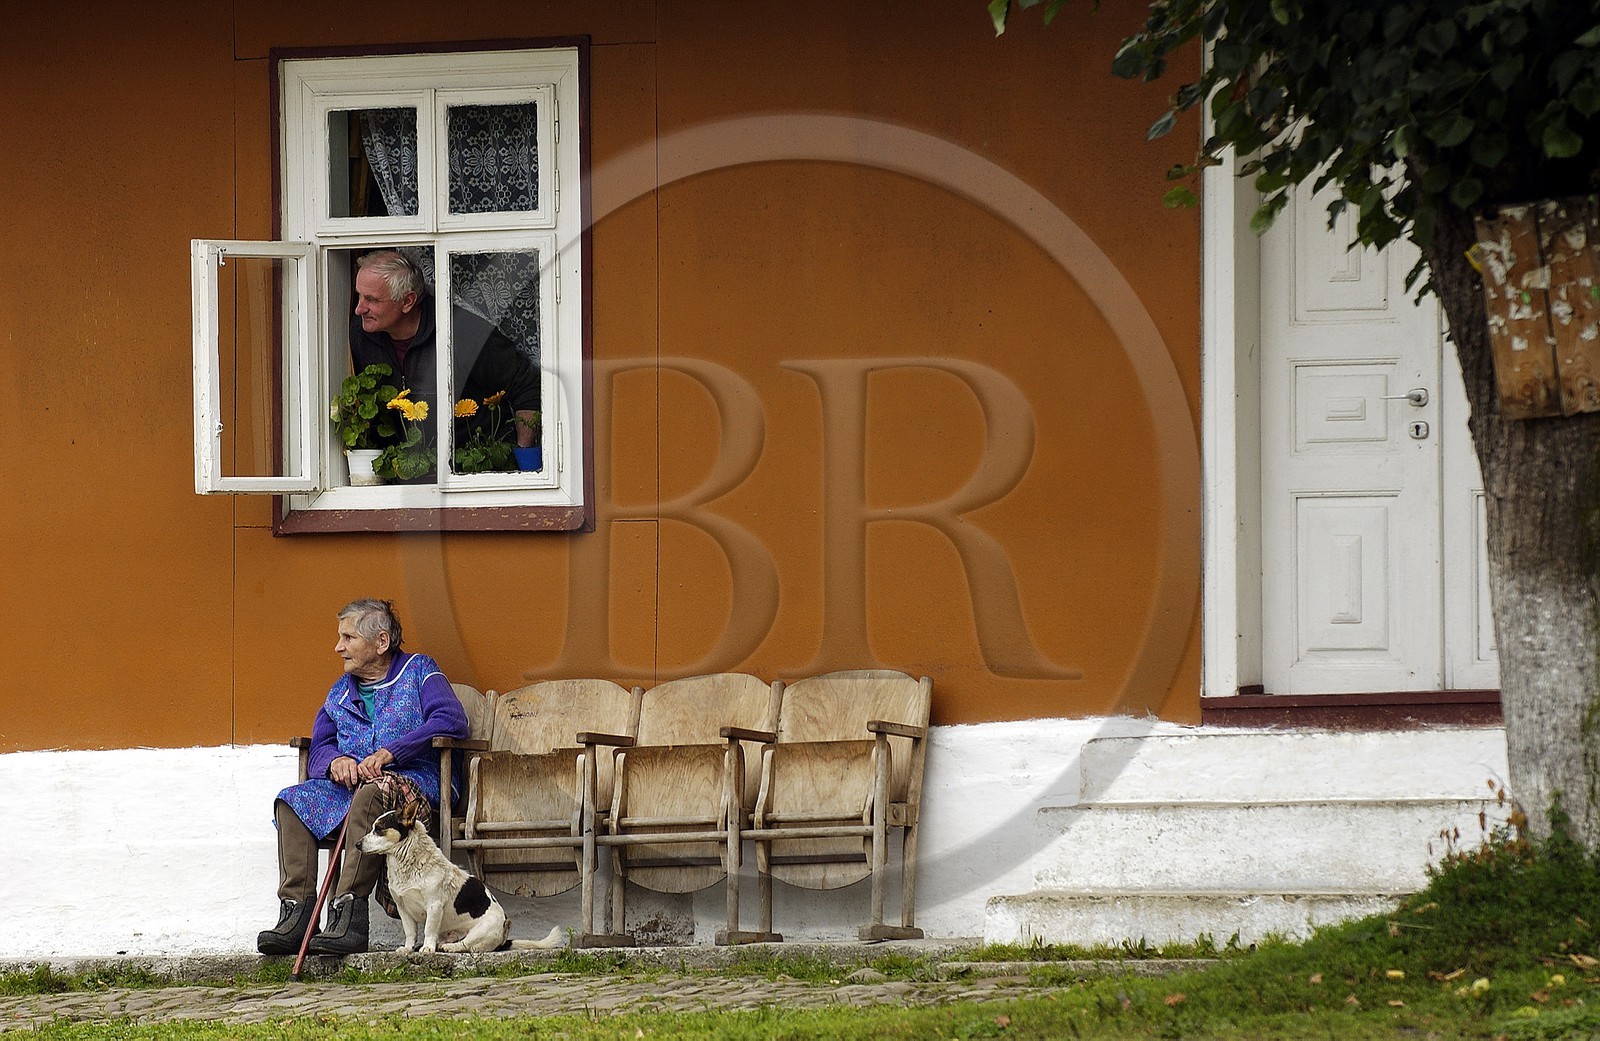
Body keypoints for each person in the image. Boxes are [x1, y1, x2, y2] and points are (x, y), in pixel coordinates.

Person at [257, 598, 470, 956]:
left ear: (381, 642)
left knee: (372, 793)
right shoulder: (340, 690)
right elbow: (321, 744)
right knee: (291, 801)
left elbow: (451, 720)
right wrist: (334, 761)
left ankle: (348, 917)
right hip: (352, 790)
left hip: (414, 785)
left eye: (347, 637)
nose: (338, 647)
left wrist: (393, 752)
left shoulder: (420, 671)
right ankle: (296, 915)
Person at [349, 250, 540, 457]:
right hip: (401, 470)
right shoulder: (360, 334)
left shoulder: (461, 331)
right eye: (359, 295)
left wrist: (523, 456)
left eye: (372, 300)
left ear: (407, 301)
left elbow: (526, 385)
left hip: (472, 467)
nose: (359, 309)